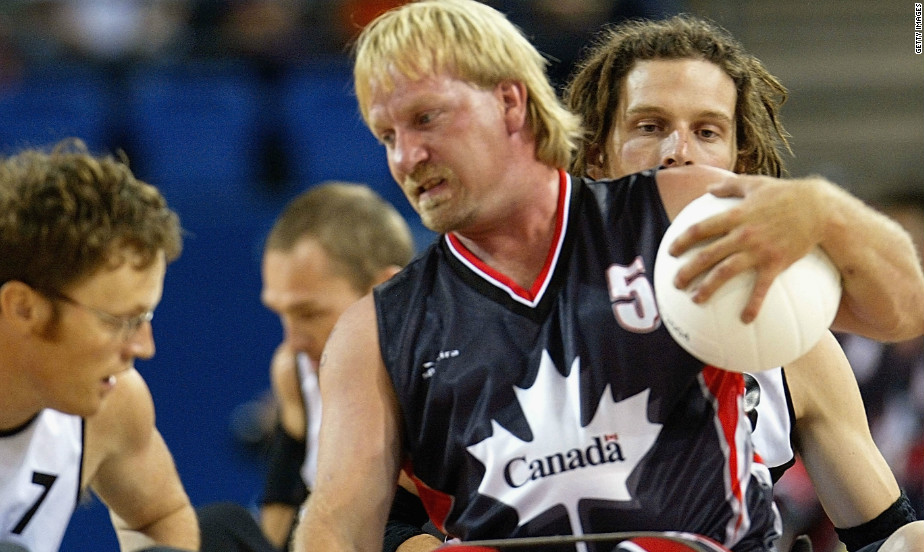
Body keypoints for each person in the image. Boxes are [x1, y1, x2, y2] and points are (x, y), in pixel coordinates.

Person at [291, 1, 924, 551]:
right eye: (387, 135)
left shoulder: (682, 217)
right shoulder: (376, 331)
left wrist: (823, 208)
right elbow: (340, 526)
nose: (406, 156)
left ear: (510, 102)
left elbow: (901, 312)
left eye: (426, 119)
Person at [562, 15, 924, 552]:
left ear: (741, 160)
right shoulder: (518, 302)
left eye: (707, 132)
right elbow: (405, 517)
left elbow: (886, 536)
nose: (677, 152)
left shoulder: (793, 339)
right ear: (596, 153)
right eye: (649, 126)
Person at [0, 139, 197, 552]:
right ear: (23, 308)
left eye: (145, 320)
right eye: (122, 321)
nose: (143, 347)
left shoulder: (115, 401)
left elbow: (160, 516)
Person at [196, 181, 424, 552]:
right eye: (282, 313)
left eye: (309, 312)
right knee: (216, 528)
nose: (294, 339)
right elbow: (279, 514)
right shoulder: (294, 370)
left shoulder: (437, 377)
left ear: (387, 291)